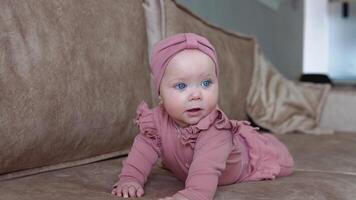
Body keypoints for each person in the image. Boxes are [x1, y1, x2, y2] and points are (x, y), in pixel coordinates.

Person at [111, 33, 294, 200]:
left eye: (206, 83)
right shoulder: (155, 122)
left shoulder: (216, 131)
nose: (196, 94)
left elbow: (201, 185)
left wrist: (189, 196)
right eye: (181, 86)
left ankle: (267, 141)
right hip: (190, 164)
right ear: (160, 93)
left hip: (247, 161)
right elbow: (141, 153)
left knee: (282, 160)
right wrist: (130, 179)